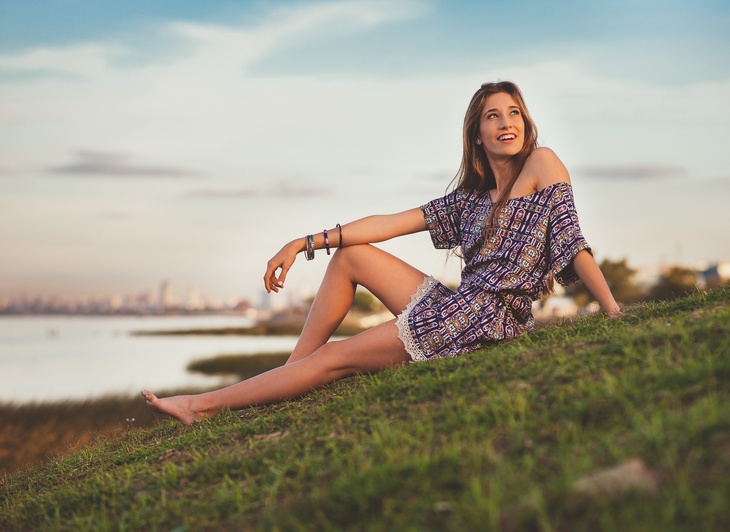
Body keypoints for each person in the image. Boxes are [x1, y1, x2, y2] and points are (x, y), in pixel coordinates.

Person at [142, 80, 622, 425]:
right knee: (352, 255)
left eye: (514, 112)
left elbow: (571, 239)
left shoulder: (542, 163)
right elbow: (387, 225)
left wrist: (613, 310)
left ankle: (199, 406)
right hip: (459, 304)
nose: (505, 123)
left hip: (489, 321)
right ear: (477, 134)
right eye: (492, 116)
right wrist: (300, 243)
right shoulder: (468, 200)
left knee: (335, 358)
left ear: (526, 122)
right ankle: (290, 377)